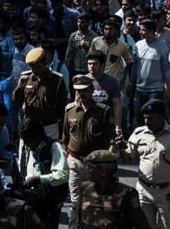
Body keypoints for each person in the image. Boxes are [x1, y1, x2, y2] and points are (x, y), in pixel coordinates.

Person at [119, 99, 170, 228]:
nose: (147, 122)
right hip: (144, 191)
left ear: (161, 117)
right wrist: (122, 148)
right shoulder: (139, 133)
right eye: (145, 118)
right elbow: (127, 159)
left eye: (151, 119)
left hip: (166, 193)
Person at [62, 74, 114, 224]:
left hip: (95, 166)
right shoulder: (69, 110)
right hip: (75, 162)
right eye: (78, 91)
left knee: (93, 201)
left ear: (92, 90)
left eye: (84, 90)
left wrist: (107, 161)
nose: (81, 94)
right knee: (75, 201)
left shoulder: (103, 111)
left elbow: (109, 139)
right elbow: (65, 137)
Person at [73, 150, 148, 227]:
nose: (86, 170)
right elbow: (78, 221)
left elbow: (141, 225)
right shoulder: (85, 188)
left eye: (90, 167)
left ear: (103, 172)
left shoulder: (126, 193)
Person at [18, 119, 69, 229]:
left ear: (39, 135)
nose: (27, 144)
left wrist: (39, 179)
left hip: (50, 201)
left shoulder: (54, 147)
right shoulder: (26, 147)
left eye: (29, 141)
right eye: (24, 141)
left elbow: (63, 175)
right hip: (32, 199)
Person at [13, 48, 67, 140]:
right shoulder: (26, 78)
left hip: (49, 126)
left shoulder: (57, 80)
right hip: (30, 125)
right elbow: (16, 102)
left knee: (50, 152)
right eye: (32, 67)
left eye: (37, 67)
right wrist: (19, 87)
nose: (34, 70)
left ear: (45, 63)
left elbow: (62, 108)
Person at [130, 19, 170, 126]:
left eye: (143, 30)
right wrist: (131, 83)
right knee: (139, 118)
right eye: (140, 29)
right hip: (139, 90)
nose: (140, 32)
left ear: (151, 31)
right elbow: (135, 67)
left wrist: (168, 89)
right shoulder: (138, 45)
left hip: (156, 90)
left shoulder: (162, 47)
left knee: (154, 118)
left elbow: (166, 70)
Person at [86, 50, 122, 135]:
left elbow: (117, 105)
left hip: (106, 123)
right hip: (88, 122)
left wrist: (118, 126)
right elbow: (77, 102)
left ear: (102, 65)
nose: (91, 66)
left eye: (95, 64)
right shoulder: (83, 80)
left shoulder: (111, 81)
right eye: (89, 64)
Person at [89, 18, 133, 84]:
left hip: (112, 82)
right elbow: (90, 58)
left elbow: (128, 62)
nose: (108, 32)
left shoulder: (123, 46)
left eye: (111, 29)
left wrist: (123, 77)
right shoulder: (96, 41)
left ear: (116, 31)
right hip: (96, 79)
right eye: (106, 29)